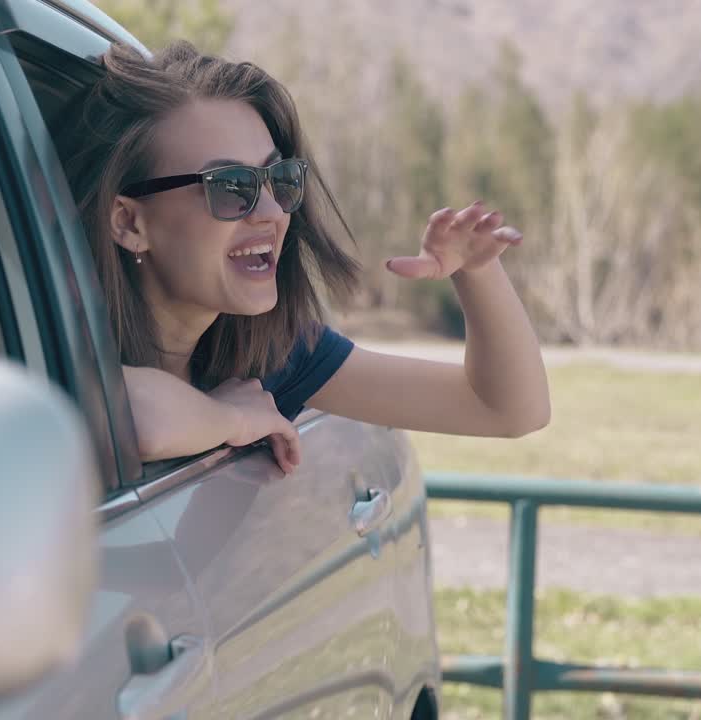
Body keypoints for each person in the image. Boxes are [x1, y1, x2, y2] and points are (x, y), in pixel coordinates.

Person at [52, 41, 550, 474]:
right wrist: (232, 417)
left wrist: (477, 271)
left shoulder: (272, 355)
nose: (271, 211)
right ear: (129, 223)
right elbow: (122, 413)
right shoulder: (42, 340)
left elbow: (507, 409)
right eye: (231, 187)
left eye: (279, 179)